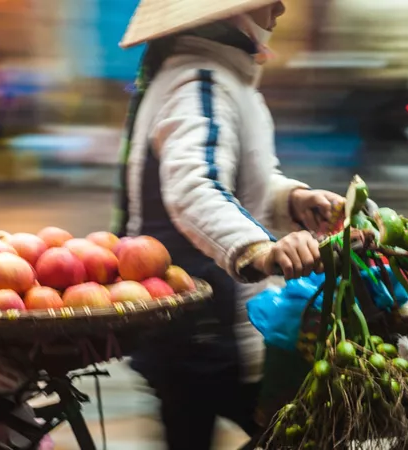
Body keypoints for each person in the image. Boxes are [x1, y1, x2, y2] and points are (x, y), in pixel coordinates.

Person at [114, 1, 345, 449]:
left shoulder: (221, 79)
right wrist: (258, 250)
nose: (279, 10)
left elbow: (238, 181)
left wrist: (293, 200)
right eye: (266, 2)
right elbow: (195, 189)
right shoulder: (198, 81)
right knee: (304, 435)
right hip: (202, 324)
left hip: (196, 326)